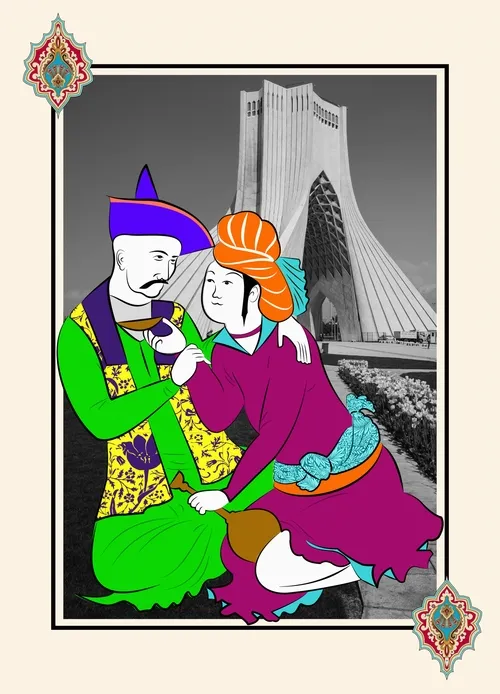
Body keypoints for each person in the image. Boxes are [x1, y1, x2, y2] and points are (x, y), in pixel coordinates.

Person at [57, 166, 310, 612]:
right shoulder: (78, 334)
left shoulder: (174, 315)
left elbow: (215, 362)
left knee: (276, 471)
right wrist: (169, 382)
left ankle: (229, 528)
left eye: (172, 262)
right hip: (142, 492)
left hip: (212, 465)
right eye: (158, 258)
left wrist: (276, 321)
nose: (168, 272)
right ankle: (235, 536)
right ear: (122, 254)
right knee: (113, 565)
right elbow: (100, 421)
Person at [173, 210, 444, 625]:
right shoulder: (225, 350)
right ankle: (338, 560)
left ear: (254, 292)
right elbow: (219, 415)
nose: (212, 291)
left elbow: (276, 432)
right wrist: (192, 371)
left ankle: (357, 554)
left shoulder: (289, 344)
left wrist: (227, 494)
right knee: (242, 553)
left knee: (272, 568)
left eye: (226, 283)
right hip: (294, 480)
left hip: (345, 479)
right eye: (210, 281)